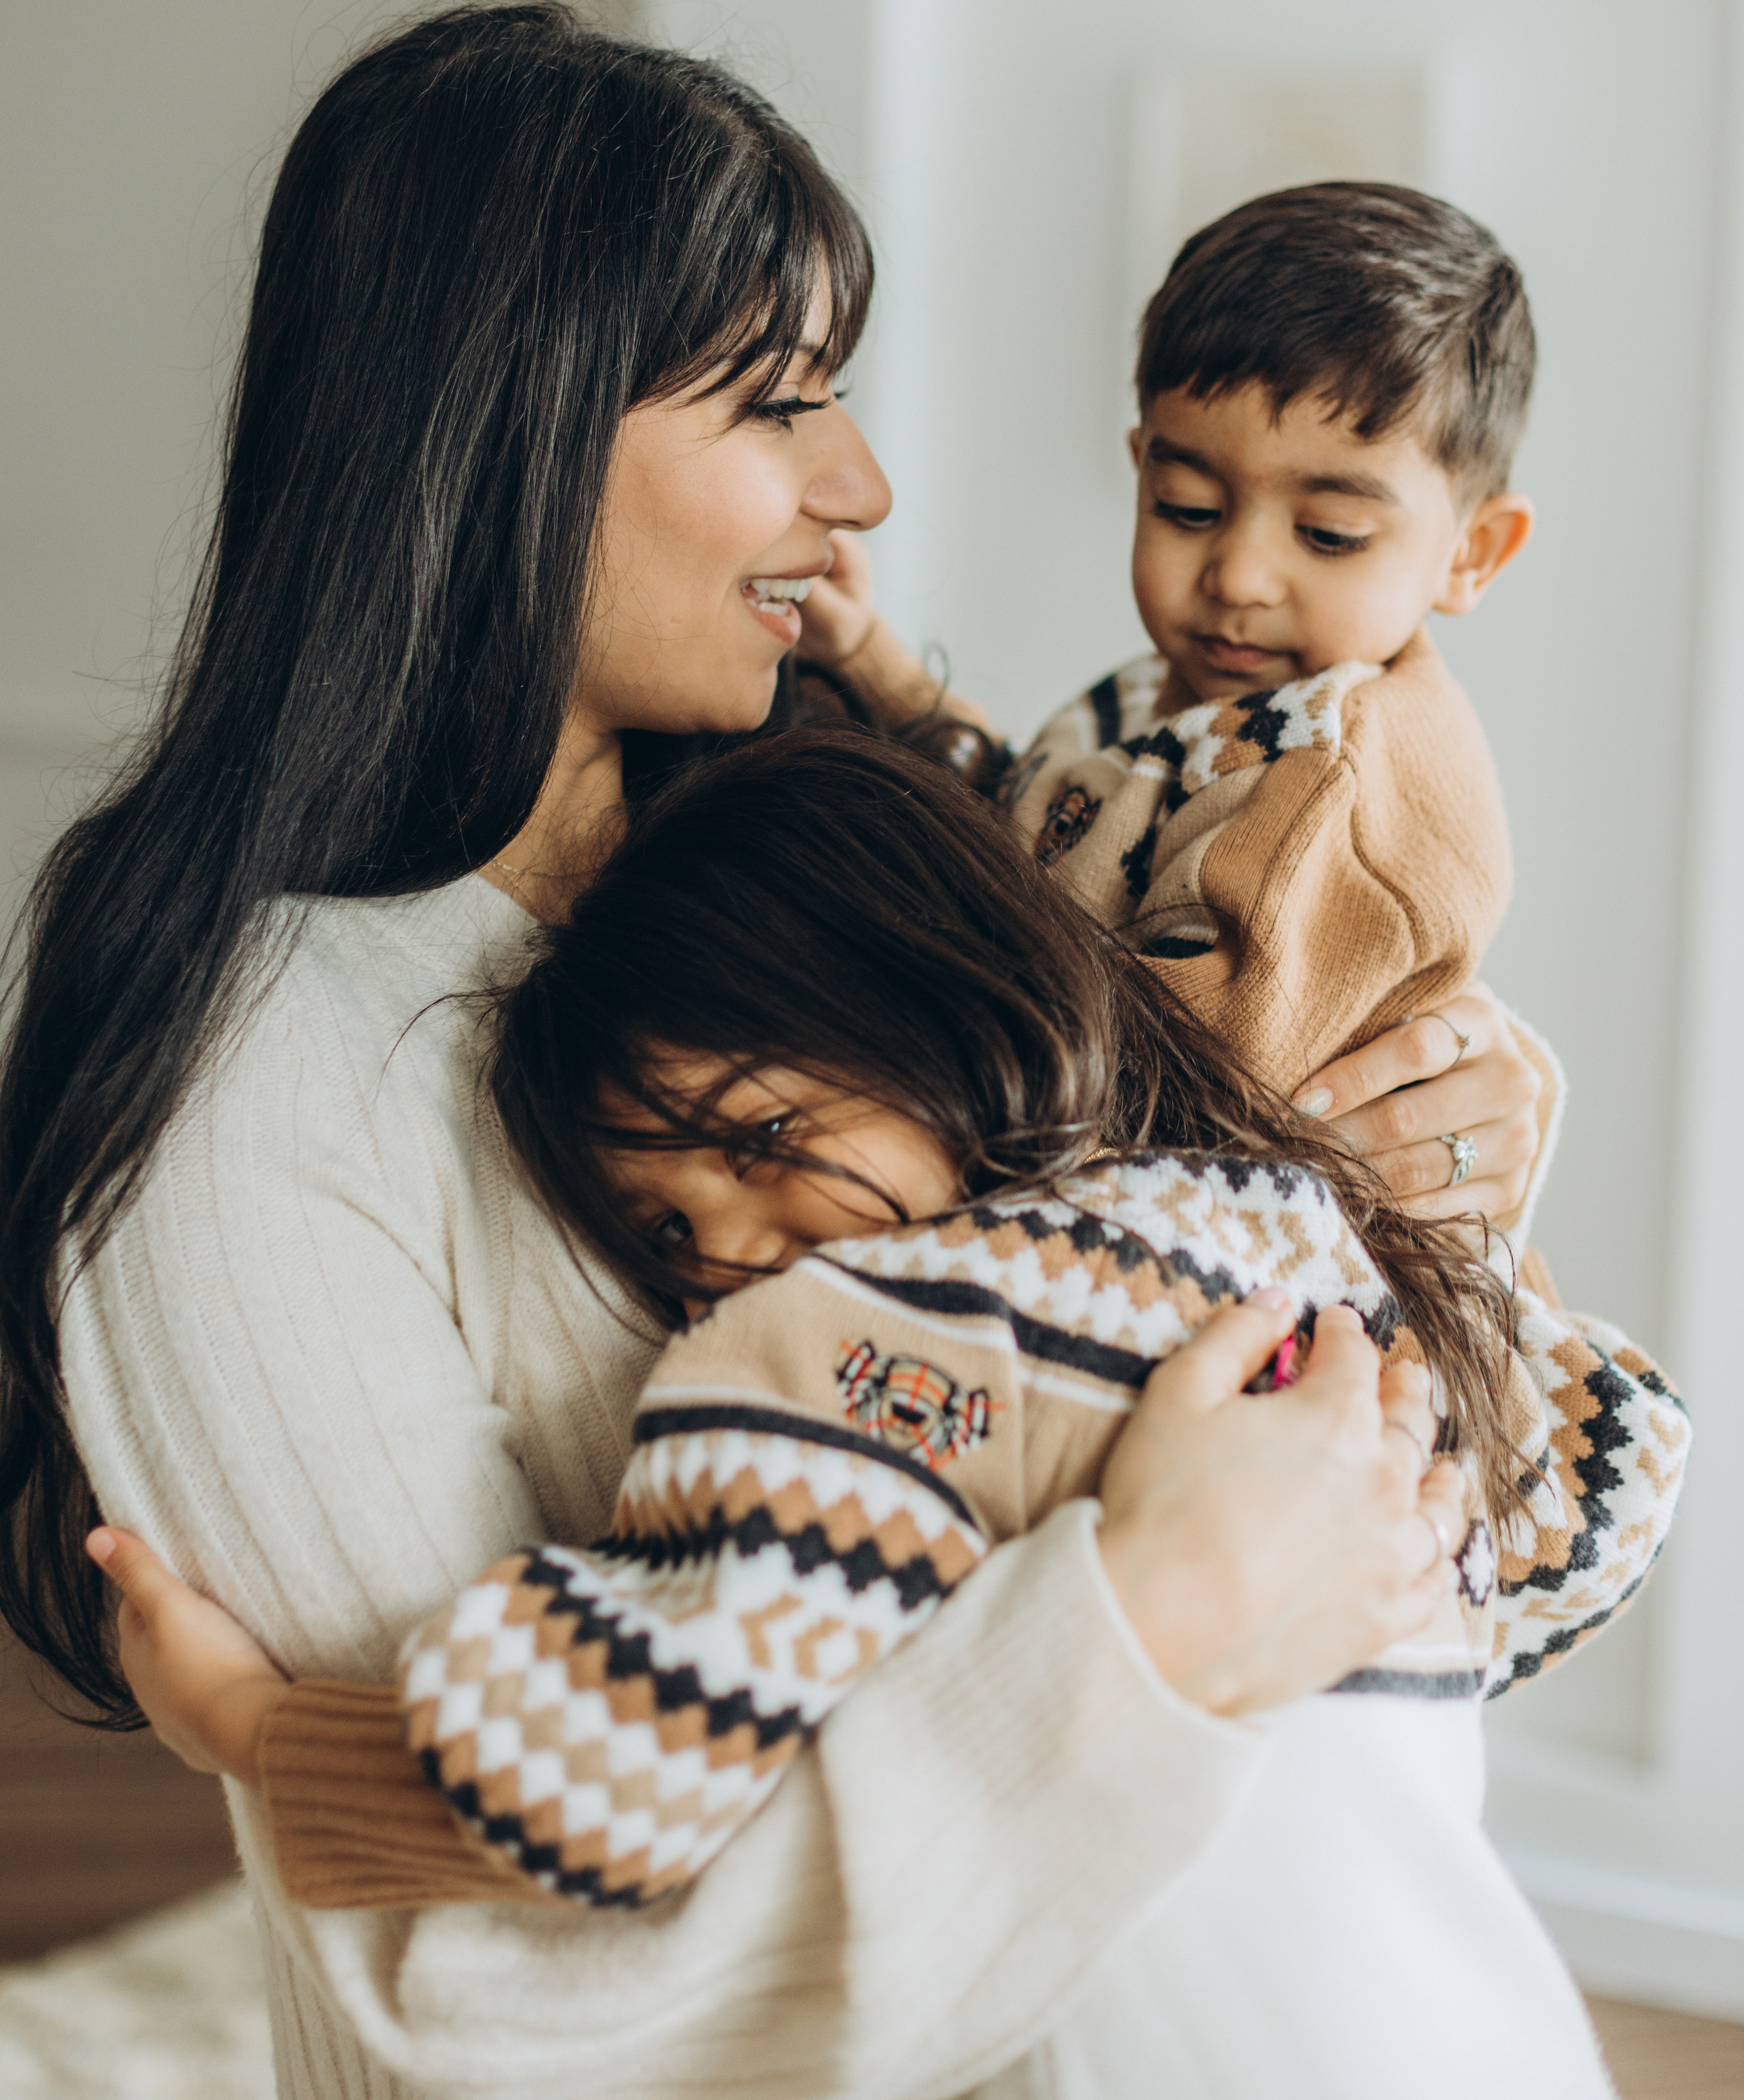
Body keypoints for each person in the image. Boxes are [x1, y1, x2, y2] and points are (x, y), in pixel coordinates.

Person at [0, 3, 1549, 2100]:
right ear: (507, 426)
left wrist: (1438, 1119)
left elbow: (1267, 1313)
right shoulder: (246, 1071)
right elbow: (465, 1985)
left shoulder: (820, 849)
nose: (861, 480)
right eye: (776, 400)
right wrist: (1156, 1622)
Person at [89, 731, 1679, 2100]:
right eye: (659, 1230)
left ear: (936, 1000)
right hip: (1474, 2027)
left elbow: (636, 1757)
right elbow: (1601, 1491)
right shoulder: (1287, 1240)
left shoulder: (879, 1345)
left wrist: (257, 1732)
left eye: (763, 1132)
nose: (719, 1246)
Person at [839, 183, 1544, 1158]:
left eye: (1329, 535)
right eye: (1189, 507)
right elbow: (1036, 827)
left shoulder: (1339, 776)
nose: (1240, 577)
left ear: (1473, 553)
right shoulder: (1188, 698)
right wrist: (869, 661)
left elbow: (1186, 1074)